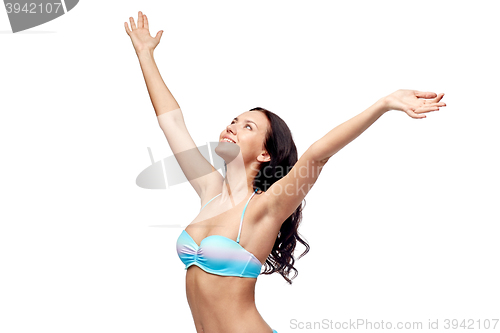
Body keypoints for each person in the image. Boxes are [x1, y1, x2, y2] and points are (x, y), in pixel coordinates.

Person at [124, 11, 446, 333]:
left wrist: (384, 103)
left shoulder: (268, 205)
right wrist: (145, 55)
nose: (232, 126)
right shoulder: (210, 191)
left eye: (247, 126)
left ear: (265, 153)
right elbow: (172, 122)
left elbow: (318, 155)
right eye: (234, 121)